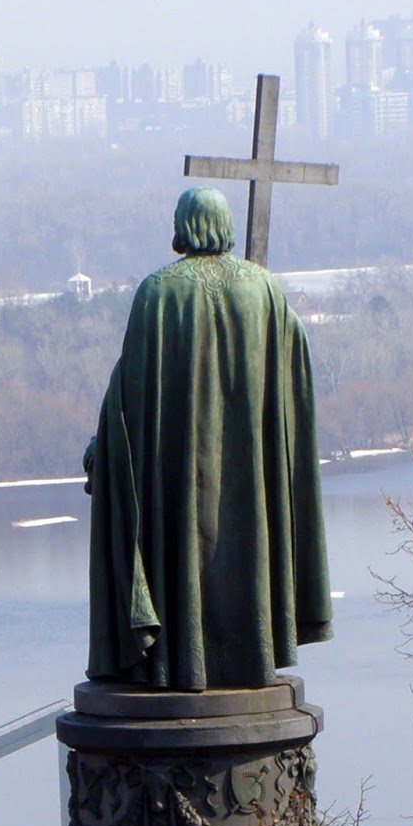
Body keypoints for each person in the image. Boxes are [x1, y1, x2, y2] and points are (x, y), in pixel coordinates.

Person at [84, 186, 332, 691]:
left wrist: (103, 450)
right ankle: (253, 655)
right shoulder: (264, 291)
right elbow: (294, 375)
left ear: (183, 226)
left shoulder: (158, 293)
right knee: (247, 547)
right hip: (250, 485)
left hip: (178, 481)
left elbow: (129, 394)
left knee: (180, 551)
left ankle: (179, 661)